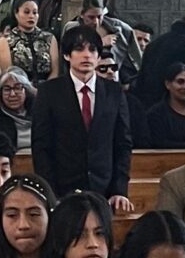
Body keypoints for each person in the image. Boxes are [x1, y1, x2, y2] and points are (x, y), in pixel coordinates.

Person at [30, 27, 132, 214]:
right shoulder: (49, 92)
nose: (87, 55)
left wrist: (119, 190)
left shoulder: (114, 92)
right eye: (79, 49)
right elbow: (41, 147)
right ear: (67, 55)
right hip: (62, 191)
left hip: (104, 190)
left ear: (98, 56)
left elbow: (122, 144)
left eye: (92, 50)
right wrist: (51, 194)